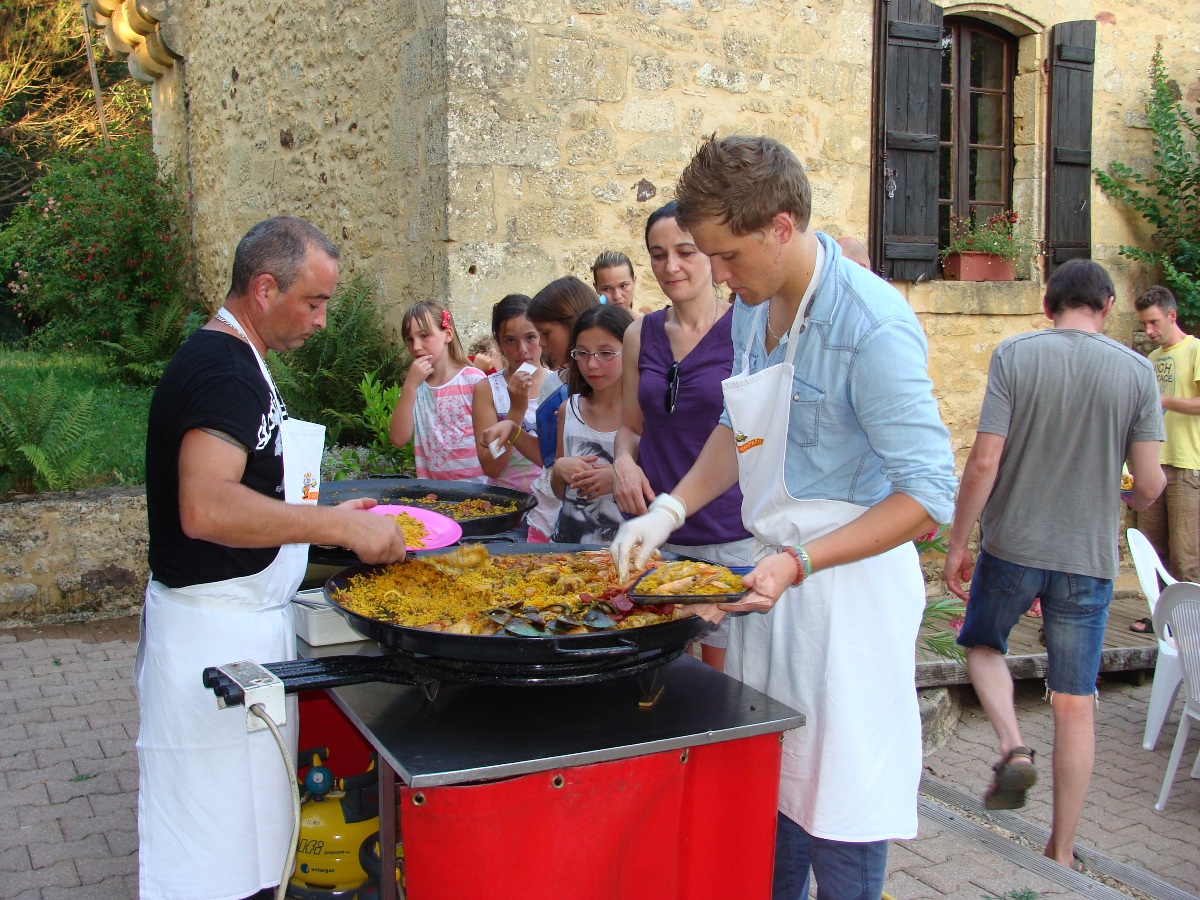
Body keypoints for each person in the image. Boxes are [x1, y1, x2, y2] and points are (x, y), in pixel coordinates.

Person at [611, 135, 957, 900]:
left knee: (841, 805)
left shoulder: (873, 324)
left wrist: (802, 562)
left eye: (726, 257)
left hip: (849, 596)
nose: (719, 277)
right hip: (774, 582)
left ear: (782, 225)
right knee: (774, 793)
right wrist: (668, 511)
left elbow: (929, 495)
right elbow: (744, 430)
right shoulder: (750, 313)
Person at [138, 216, 407, 900]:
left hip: (239, 629)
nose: (321, 321)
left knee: (248, 845)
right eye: (313, 303)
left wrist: (326, 524)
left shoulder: (238, 360)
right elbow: (207, 506)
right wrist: (333, 530)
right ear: (264, 288)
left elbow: (251, 490)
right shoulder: (223, 370)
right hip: (212, 636)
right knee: (209, 858)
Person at [943, 258, 1164, 870]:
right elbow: (1149, 484)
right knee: (1075, 701)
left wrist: (959, 543)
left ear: (1047, 304)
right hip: (1087, 559)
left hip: (1012, 546)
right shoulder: (1137, 372)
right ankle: (1061, 851)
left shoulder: (1016, 356)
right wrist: (1119, 495)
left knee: (983, 646)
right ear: (1108, 304)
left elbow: (985, 462)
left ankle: (1013, 745)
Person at [612, 200, 754, 671]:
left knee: (723, 679)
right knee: (661, 672)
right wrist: (624, 462)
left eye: (685, 251)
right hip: (657, 537)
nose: (670, 266)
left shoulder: (749, 330)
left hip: (729, 536)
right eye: (657, 254)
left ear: (711, 254)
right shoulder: (640, 333)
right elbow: (631, 427)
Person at [525, 276, 601, 542]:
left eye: (546, 333)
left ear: (572, 325)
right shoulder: (552, 387)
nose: (542, 343)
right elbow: (551, 465)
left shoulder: (615, 387)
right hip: (556, 519)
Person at [1133, 285, 1200, 584]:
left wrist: (1166, 401)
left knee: (1187, 556)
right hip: (1154, 465)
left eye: (1153, 322)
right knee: (1152, 551)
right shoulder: (1152, 359)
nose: (1148, 330)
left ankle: (1190, 623)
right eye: (1144, 324)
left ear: (1171, 316)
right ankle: (1159, 618)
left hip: (1187, 465)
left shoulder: (1196, 349)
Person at [552, 304, 634, 542]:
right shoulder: (569, 410)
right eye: (583, 353)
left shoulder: (644, 416)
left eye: (606, 353)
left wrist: (619, 479)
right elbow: (561, 494)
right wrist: (559, 470)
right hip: (568, 553)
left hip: (626, 556)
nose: (592, 364)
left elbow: (664, 492)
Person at [388, 300, 487, 482]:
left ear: (447, 334)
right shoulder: (415, 387)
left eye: (424, 335)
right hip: (433, 495)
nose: (416, 346)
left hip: (477, 493)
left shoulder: (474, 380)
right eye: (410, 339)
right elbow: (398, 438)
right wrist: (409, 386)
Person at [472, 293, 547, 497]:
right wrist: (516, 410)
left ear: (542, 335)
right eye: (510, 340)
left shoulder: (559, 383)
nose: (522, 350)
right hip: (506, 505)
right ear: (499, 343)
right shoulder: (487, 390)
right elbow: (491, 467)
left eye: (530, 337)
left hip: (550, 508)